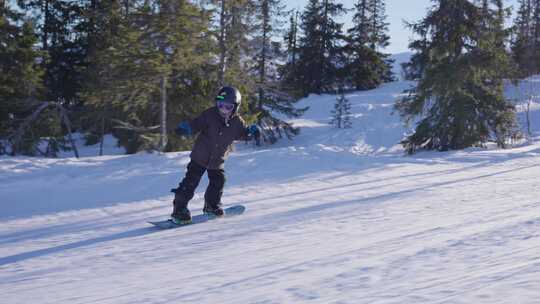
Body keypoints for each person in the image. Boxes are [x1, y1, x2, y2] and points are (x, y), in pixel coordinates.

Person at [171, 86, 260, 224]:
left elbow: (243, 134)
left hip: (217, 160)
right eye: (220, 105)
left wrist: (251, 132)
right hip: (200, 157)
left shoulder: (237, 122)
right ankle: (179, 210)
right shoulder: (209, 115)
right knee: (190, 183)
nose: (223, 110)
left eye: (228, 107)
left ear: (235, 107)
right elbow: (195, 124)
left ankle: (211, 206)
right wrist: (187, 128)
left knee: (219, 181)